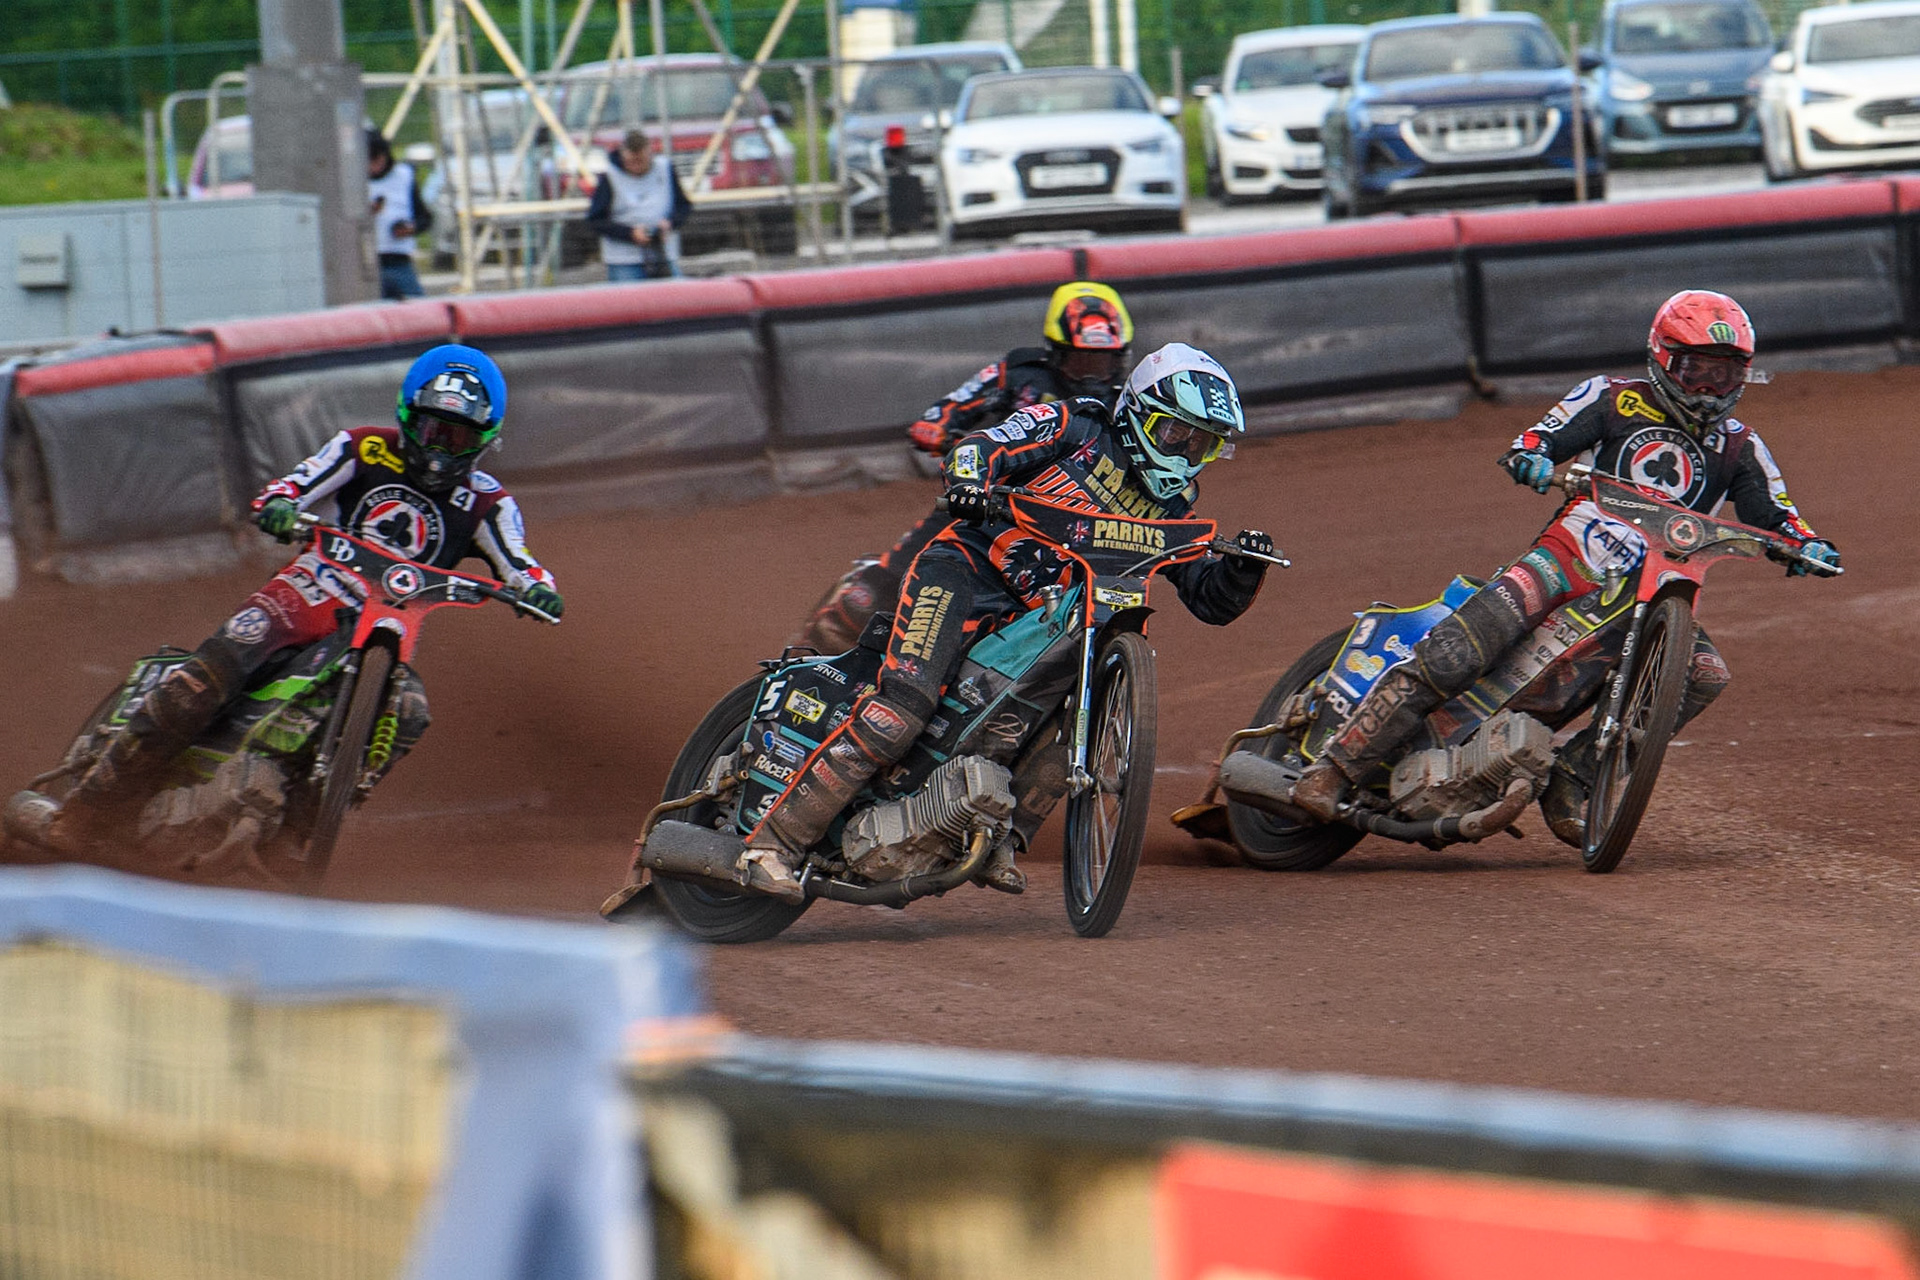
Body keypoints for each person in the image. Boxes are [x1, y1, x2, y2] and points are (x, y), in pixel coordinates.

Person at [1289, 290, 1841, 843]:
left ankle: (1573, 777)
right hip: (1567, 558)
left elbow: (1780, 516)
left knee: (1703, 675)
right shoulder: (1611, 397)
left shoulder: (1741, 446)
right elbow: (1538, 439)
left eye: (1723, 376)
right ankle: (1336, 768)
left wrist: (1806, 545)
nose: (1706, 388)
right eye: (1695, 369)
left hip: (1651, 595)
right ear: (1662, 357)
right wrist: (1530, 457)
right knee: (1460, 649)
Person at [741, 343, 1278, 901]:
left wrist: (1242, 568)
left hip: (1041, 619)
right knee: (902, 708)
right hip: (966, 573)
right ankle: (770, 843)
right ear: (1138, 412)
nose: (1187, 454)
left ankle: (996, 833)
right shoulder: (1076, 423)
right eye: (1177, 435)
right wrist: (970, 483)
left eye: (1205, 443)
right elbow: (983, 445)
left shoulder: (1174, 506)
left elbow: (1210, 600)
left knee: (1074, 718)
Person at [6, 345, 564, 856]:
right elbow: (294, 486)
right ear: (406, 416)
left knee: (409, 712)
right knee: (202, 682)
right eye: (432, 429)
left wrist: (536, 588)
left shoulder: (488, 502)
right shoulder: (362, 446)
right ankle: (85, 813)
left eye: (459, 437)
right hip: (306, 593)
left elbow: (518, 560)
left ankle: (296, 833)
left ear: (487, 438)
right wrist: (278, 505)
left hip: (386, 627)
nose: (442, 449)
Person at [799, 281, 1135, 653]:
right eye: (1081, 359)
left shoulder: (1128, 404)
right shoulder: (1021, 373)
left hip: (1065, 523)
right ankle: (805, 650)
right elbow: (954, 404)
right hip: (984, 503)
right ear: (1055, 352)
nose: (1092, 374)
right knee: (876, 592)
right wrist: (937, 425)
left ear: (1120, 358)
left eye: (1103, 362)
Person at [585, 129, 690, 282]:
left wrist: (670, 223)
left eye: (640, 161)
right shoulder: (611, 176)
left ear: (649, 153)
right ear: (622, 155)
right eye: (631, 162)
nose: (636, 167)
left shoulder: (665, 168)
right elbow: (595, 219)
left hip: (664, 255)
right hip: (624, 261)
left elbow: (683, 206)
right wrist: (630, 233)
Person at [367, 129, 433, 300]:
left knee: (417, 307)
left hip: (399, 259)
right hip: (367, 262)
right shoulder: (353, 180)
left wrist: (410, 228)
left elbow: (425, 218)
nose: (375, 167)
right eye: (370, 161)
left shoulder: (404, 176)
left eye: (379, 159)